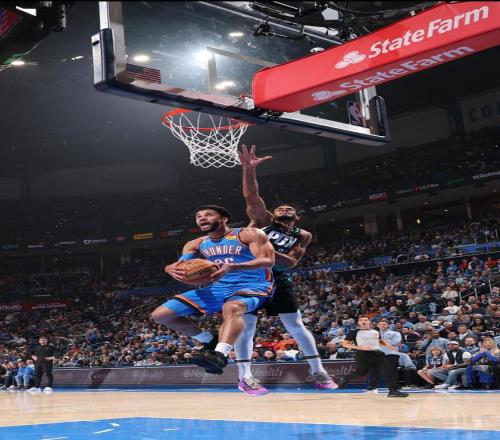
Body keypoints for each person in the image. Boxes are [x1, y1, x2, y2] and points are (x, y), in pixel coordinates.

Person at [232, 145, 336, 396]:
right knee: (247, 327)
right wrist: (248, 169)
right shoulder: (263, 221)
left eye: (290, 209)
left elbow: (291, 263)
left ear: (296, 217)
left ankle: (318, 371)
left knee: (296, 325)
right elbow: (251, 196)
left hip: (278, 276)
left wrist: (265, 251)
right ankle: (245, 377)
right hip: (250, 276)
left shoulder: (304, 235)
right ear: (273, 213)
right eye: (281, 208)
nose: (286, 209)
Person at [151, 205, 275, 375]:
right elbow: (182, 266)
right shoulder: (196, 243)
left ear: (224, 219)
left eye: (208, 215)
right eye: (198, 216)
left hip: (255, 284)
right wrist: (169, 268)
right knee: (160, 315)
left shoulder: (248, 234)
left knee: (231, 307)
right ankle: (209, 340)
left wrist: (233, 266)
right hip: (219, 287)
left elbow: (268, 260)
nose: (202, 218)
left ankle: (220, 355)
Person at [338, 316, 408, 397]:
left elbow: (379, 340)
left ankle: (392, 391)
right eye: (361, 320)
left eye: (365, 320)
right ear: (359, 323)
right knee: (361, 373)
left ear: (369, 322)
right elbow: (345, 344)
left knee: (387, 371)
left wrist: (388, 345)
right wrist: (360, 347)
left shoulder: (375, 331)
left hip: (378, 354)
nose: (363, 321)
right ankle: (346, 378)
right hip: (363, 355)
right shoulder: (353, 332)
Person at [366, 319, 402, 391]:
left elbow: (395, 341)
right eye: (380, 324)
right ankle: (372, 385)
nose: (382, 325)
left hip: (391, 354)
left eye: (384, 324)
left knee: (391, 371)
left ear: (388, 325)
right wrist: (387, 342)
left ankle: (393, 386)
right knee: (374, 371)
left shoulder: (395, 333)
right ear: (377, 325)